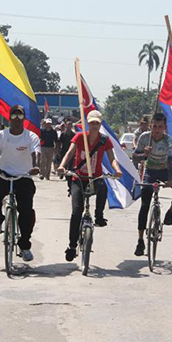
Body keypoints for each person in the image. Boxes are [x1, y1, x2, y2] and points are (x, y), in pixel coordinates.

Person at [57, 110, 122, 262]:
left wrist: (117, 170)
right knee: (76, 212)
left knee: (104, 187)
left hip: (95, 178)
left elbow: (112, 158)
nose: (94, 126)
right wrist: (62, 166)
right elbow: (69, 153)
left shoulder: (104, 140)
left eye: (97, 123)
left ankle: (99, 216)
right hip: (79, 178)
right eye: (92, 123)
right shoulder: (80, 137)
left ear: (100, 125)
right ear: (88, 123)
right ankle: (72, 246)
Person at [0, 105, 41, 262]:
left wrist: (35, 166)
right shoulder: (1, 135)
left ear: (24, 119)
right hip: (4, 174)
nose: (16, 120)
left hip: (24, 176)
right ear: (8, 118)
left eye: (19, 117)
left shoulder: (30, 137)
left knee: (26, 213)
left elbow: (35, 153)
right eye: (13, 116)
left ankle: (24, 246)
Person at [132, 112, 172, 256]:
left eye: (160, 127)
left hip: (165, 170)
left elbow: (171, 162)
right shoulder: (144, 138)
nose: (157, 130)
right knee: (145, 204)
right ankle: (140, 240)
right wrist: (144, 155)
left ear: (164, 128)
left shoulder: (169, 141)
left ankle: (170, 212)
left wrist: (171, 180)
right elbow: (135, 158)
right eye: (154, 127)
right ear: (151, 126)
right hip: (151, 171)